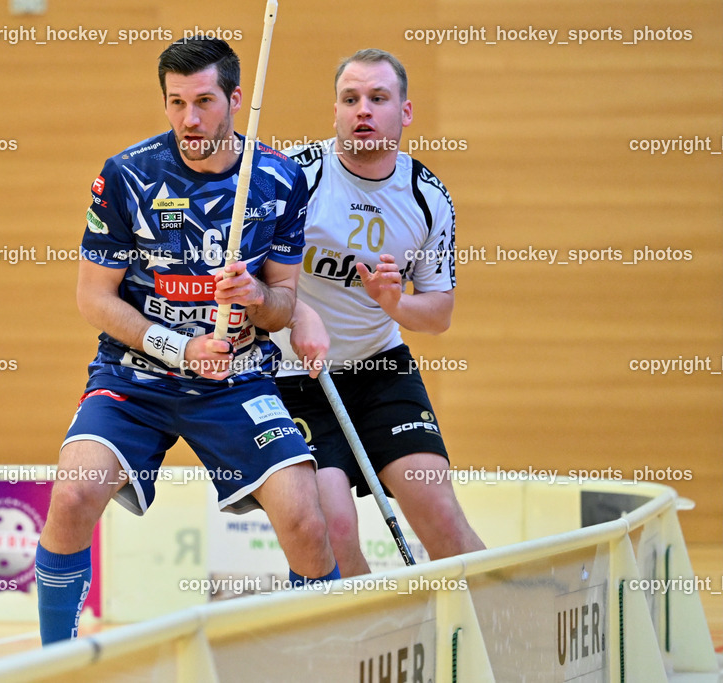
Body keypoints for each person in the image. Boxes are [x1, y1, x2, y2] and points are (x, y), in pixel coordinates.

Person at [35, 36, 339, 644]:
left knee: (307, 519)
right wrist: (179, 348)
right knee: (72, 495)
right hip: (134, 375)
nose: (189, 119)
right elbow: (93, 298)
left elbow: (283, 307)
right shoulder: (126, 175)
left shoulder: (278, 179)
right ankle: (56, 662)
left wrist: (256, 296)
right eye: (175, 103)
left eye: (204, 101)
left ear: (235, 98)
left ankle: (318, 658)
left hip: (236, 378)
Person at [273, 49, 485, 578]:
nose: (362, 110)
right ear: (336, 111)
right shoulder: (295, 179)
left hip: (381, 370)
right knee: (335, 529)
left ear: (405, 113)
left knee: (440, 513)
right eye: (350, 99)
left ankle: (505, 641)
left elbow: (438, 315)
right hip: (298, 380)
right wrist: (297, 313)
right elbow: (249, 279)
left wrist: (396, 304)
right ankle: (375, 652)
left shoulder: (427, 197)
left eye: (377, 98)